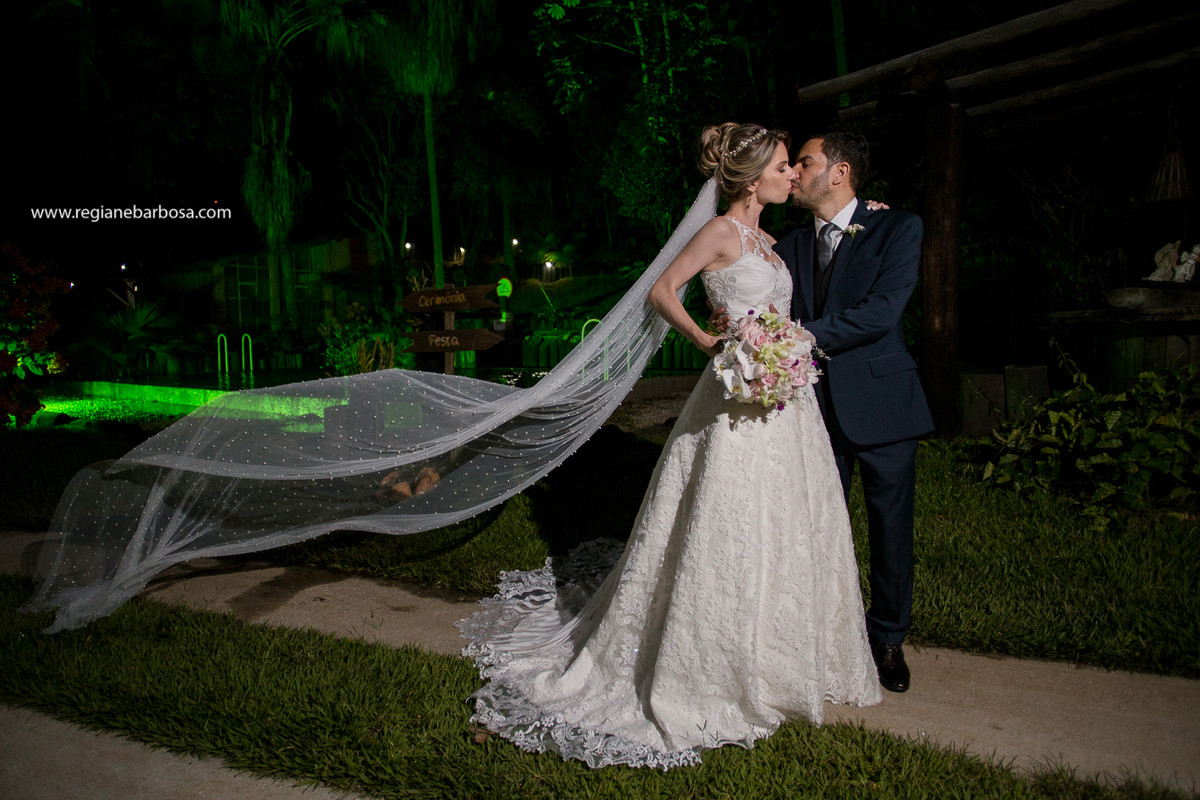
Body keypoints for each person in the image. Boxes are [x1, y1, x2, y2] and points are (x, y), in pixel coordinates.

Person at [458, 123, 881, 770]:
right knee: (727, 526)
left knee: (788, 525)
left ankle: (781, 658)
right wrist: (711, 343)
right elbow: (661, 291)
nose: (792, 174)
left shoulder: (771, 241)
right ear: (749, 179)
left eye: (795, 167)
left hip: (786, 408)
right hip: (733, 405)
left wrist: (865, 218)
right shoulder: (719, 233)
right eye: (781, 167)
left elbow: (820, 259)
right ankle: (712, 661)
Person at [772, 132, 935, 693]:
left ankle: (888, 638)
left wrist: (795, 337)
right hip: (812, 411)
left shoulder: (898, 228)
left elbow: (881, 312)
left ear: (839, 172)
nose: (794, 171)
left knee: (890, 530)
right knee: (818, 530)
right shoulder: (788, 246)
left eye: (805, 162)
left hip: (884, 405)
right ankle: (824, 635)